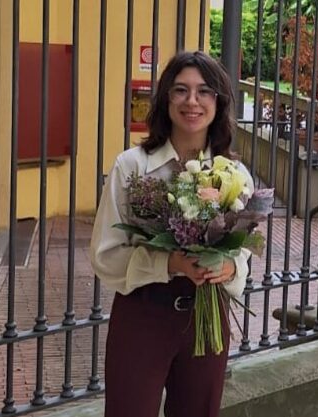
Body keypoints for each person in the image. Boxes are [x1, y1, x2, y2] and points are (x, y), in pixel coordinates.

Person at [90, 51, 253, 417]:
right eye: (180, 90)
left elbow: (242, 251)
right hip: (143, 314)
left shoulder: (235, 175)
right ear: (165, 99)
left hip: (206, 318)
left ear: (218, 102)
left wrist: (229, 268)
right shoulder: (133, 168)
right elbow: (104, 254)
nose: (192, 101)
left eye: (204, 91)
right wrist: (170, 263)